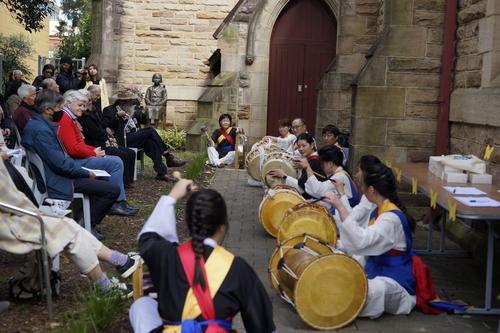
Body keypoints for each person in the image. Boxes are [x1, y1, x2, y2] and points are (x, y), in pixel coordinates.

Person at [129, 180, 276, 333]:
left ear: (188, 224)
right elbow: (262, 326)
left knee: (142, 306)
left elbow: (148, 236)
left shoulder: (166, 256)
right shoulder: (239, 269)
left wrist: (172, 196)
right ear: (222, 226)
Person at [0, 152, 141, 293]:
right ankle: (107, 286)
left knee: (69, 225)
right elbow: (9, 198)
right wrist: (33, 210)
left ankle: (120, 262)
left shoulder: (44, 131)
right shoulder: (41, 130)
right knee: (69, 232)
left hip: (18, 214)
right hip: (10, 221)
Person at [21, 90, 123, 239]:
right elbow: (61, 163)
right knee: (111, 190)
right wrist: (85, 172)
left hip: (58, 176)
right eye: (58, 107)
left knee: (102, 181)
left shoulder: (38, 125)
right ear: (47, 110)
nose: (61, 111)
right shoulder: (41, 131)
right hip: (59, 181)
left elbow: (60, 158)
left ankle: (85, 220)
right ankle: (85, 224)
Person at [323, 160, 416, 319]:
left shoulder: (390, 218)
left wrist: (340, 206)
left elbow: (361, 241)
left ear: (371, 190)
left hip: (395, 281)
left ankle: (330, 305)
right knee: (336, 260)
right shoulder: (380, 208)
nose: (359, 181)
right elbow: (362, 241)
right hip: (376, 266)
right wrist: (331, 243)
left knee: (369, 290)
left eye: (362, 181)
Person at [57, 90, 138, 215]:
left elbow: (78, 145)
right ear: (68, 104)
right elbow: (73, 149)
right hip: (73, 162)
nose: (83, 108)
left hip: (77, 157)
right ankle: (117, 202)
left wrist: (93, 151)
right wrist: (93, 153)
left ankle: (115, 201)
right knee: (115, 162)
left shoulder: (70, 118)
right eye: (79, 105)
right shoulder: (65, 119)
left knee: (115, 159)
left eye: (83, 105)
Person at [102, 90, 185, 182]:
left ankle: (161, 173)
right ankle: (168, 156)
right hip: (121, 139)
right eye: (131, 101)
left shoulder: (131, 109)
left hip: (134, 136)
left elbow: (144, 121)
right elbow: (105, 125)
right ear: (123, 101)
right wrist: (117, 116)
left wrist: (141, 109)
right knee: (150, 131)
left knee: (150, 142)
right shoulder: (109, 110)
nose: (132, 102)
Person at [79, 85, 136, 188]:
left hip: (105, 140)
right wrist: (108, 135)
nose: (95, 100)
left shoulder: (93, 110)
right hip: (96, 145)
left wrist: (109, 137)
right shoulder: (86, 115)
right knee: (122, 155)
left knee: (130, 152)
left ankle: (127, 181)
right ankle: (122, 182)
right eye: (91, 100)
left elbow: (102, 127)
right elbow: (96, 131)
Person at [268, 132, 326, 199]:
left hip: (312, 199)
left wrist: (284, 176)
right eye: (299, 146)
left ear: (312, 145)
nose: (301, 149)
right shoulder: (310, 159)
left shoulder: (314, 162)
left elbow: (302, 188)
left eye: (304, 146)